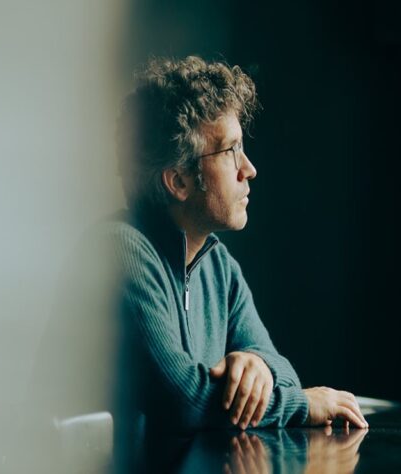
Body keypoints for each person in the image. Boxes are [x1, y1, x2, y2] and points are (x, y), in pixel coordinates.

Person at [111, 55, 368, 449]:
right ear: (178, 181)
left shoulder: (218, 264)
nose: (248, 168)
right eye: (230, 151)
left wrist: (258, 366)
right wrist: (302, 404)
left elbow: (282, 371)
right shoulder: (121, 251)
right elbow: (188, 401)